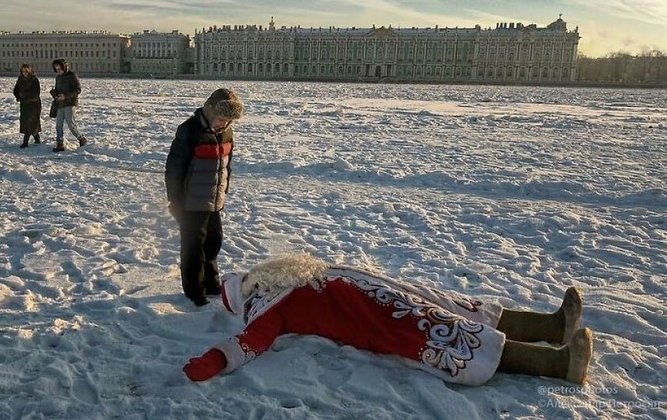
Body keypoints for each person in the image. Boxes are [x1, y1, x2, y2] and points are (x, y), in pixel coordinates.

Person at [182, 254, 593, 386]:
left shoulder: (294, 271)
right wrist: (213, 361)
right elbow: (249, 343)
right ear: (246, 292)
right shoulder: (265, 309)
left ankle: (552, 326)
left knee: (457, 308)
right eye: (247, 280)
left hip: (384, 294)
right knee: (451, 337)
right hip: (374, 319)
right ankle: (558, 364)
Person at [165, 88, 244, 307]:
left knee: (213, 241)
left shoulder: (226, 133)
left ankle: (211, 281)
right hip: (191, 202)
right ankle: (194, 288)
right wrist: (175, 200)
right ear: (210, 111)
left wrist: (224, 191)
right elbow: (174, 169)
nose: (223, 124)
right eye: (221, 118)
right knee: (194, 247)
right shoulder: (189, 130)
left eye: (228, 120)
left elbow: (226, 167)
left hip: (214, 200)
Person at [50, 58, 87, 152]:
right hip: (60, 104)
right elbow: (57, 89)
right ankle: (60, 143)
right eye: (56, 69)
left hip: (69, 103)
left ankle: (81, 138)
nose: (58, 71)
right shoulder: (58, 77)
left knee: (71, 124)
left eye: (59, 69)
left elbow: (77, 89)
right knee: (58, 125)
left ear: (64, 67)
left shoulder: (72, 76)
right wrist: (54, 93)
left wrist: (65, 96)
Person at [13, 64, 42, 148]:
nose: (24, 73)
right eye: (23, 71)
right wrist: (18, 96)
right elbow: (16, 90)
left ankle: (25, 142)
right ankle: (37, 138)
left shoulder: (34, 79)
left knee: (31, 122)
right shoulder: (20, 79)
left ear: (30, 71)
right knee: (26, 122)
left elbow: (36, 94)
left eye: (26, 71)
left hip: (34, 104)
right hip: (24, 104)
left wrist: (25, 96)